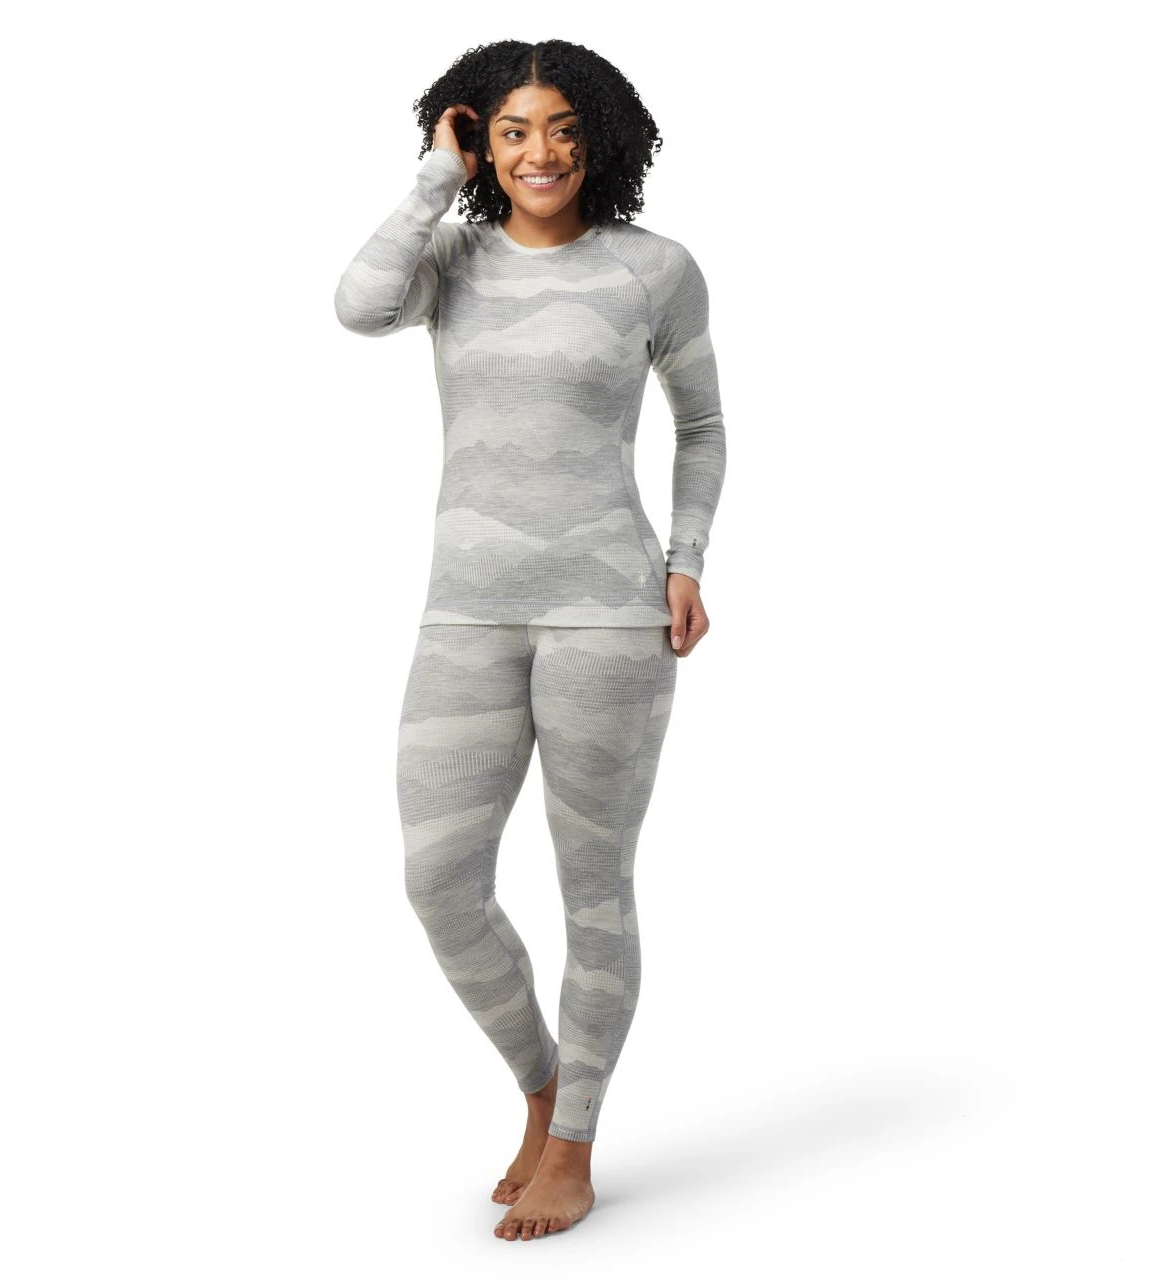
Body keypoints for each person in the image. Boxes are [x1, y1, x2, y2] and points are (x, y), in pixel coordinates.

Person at [333, 39, 726, 1241]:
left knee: (591, 884)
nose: (538, 151)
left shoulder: (652, 269)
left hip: (608, 612)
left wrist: (685, 560)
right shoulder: (448, 260)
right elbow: (356, 306)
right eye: (510, 130)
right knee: (438, 881)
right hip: (465, 609)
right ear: (479, 143)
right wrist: (430, 179)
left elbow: (701, 425)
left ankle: (574, 1143)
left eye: (560, 127)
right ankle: (543, 1087)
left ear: (597, 137)